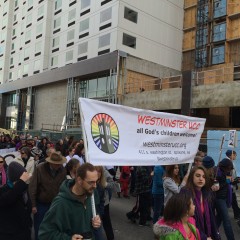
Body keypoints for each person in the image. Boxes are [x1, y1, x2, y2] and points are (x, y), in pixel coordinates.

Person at [38, 163, 101, 240]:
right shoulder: (61, 203)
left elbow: (88, 217)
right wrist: (69, 238)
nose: (95, 186)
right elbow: (45, 234)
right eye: (91, 182)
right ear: (79, 180)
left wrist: (96, 221)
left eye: (96, 181)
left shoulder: (91, 195)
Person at [29, 151, 67, 240]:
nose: (58, 166)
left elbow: (64, 187)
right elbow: (32, 187)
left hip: (56, 204)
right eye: (56, 164)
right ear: (51, 162)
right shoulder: (40, 168)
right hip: (41, 204)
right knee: (39, 226)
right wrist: (33, 205)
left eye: (60, 164)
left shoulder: (62, 170)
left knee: (55, 227)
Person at [182, 166, 220, 240]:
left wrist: (216, 234)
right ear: (191, 177)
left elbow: (211, 217)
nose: (201, 179)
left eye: (204, 177)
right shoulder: (185, 193)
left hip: (207, 234)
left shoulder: (205, 194)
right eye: (197, 176)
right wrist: (204, 238)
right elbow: (186, 222)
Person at [0, 162, 32, 240]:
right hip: (9, 234)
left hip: (24, 231)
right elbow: (8, 199)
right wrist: (21, 182)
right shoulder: (3, 190)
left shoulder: (22, 188)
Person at [215, 158, 235, 240]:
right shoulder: (217, 172)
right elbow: (217, 187)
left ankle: (212, 232)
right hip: (219, 198)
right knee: (226, 221)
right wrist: (227, 182)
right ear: (224, 167)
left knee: (218, 218)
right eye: (228, 168)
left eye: (230, 169)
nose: (229, 170)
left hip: (225, 197)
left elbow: (228, 182)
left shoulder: (228, 171)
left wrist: (232, 180)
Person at [225, 149, 240, 221]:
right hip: (229, 186)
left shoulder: (230, 162)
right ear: (231, 155)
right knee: (233, 200)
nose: (235, 156)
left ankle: (237, 214)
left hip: (231, 185)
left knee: (233, 201)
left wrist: (236, 179)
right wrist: (231, 182)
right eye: (235, 155)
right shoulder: (228, 163)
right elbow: (228, 175)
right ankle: (237, 215)